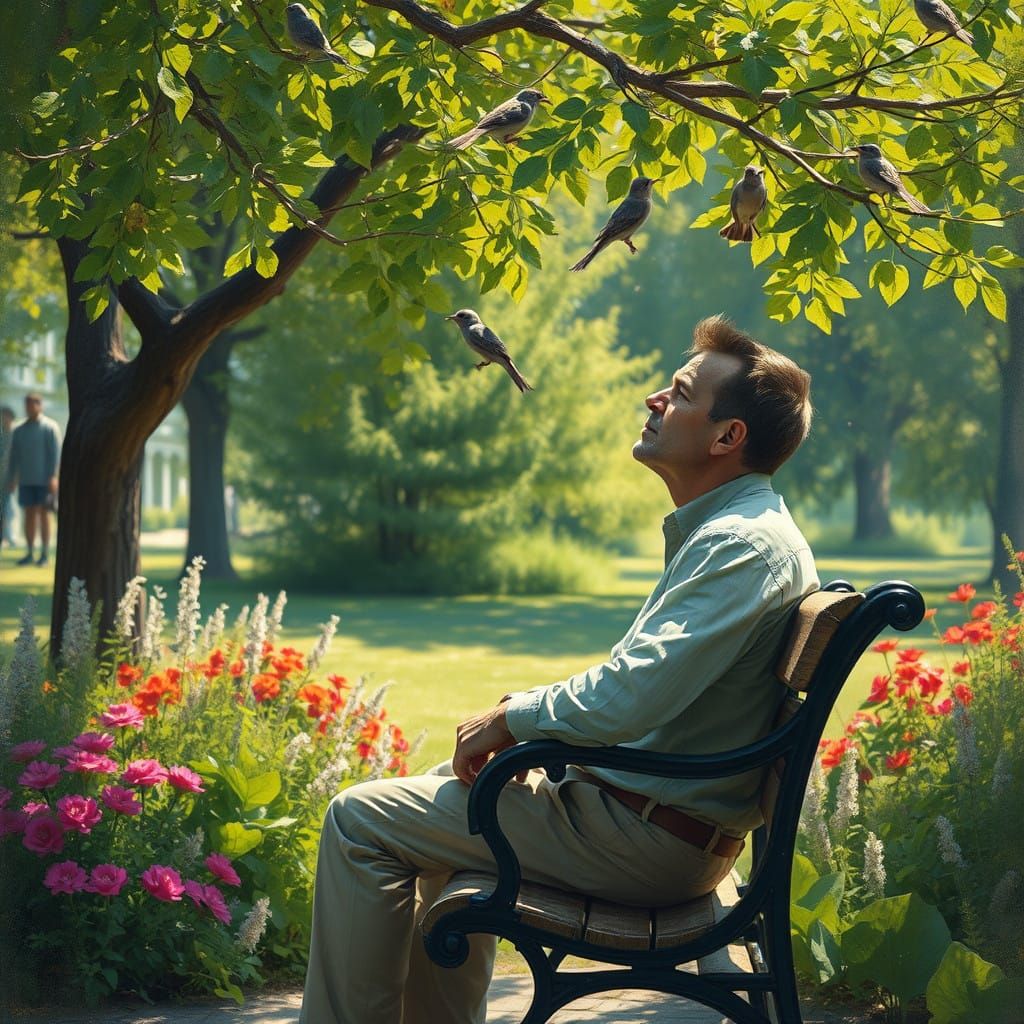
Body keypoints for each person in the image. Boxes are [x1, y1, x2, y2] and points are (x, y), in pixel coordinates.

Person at [299, 316, 819, 1024]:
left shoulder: (741, 546)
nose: (654, 400)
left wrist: (514, 718)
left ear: (728, 437)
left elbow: (631, 695)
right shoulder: (736, 532)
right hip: (641, 817)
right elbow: (644, 691)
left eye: (678, 393)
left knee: (359, 822)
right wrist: (526, 724)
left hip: (646, 840)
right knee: (447, 800)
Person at [5, 393, 62, 567]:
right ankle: (29, 552)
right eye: (28, 405)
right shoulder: (19, 430)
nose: (30, 408)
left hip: (45, 481)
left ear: (39, 405)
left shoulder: (50, 427)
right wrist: (12, 478)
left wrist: (53, 477)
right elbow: (14, 457)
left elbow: (55, 455)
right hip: (26, 480)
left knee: (44, 516)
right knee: (29, 515)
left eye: (33, 404)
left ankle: (44, 554)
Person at [0, 405, 15, 550]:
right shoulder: (2, 435)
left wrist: (15, 479)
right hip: (2, 479)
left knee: (9, 510)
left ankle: (9, 536)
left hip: (11, 479)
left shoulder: (16, 435)